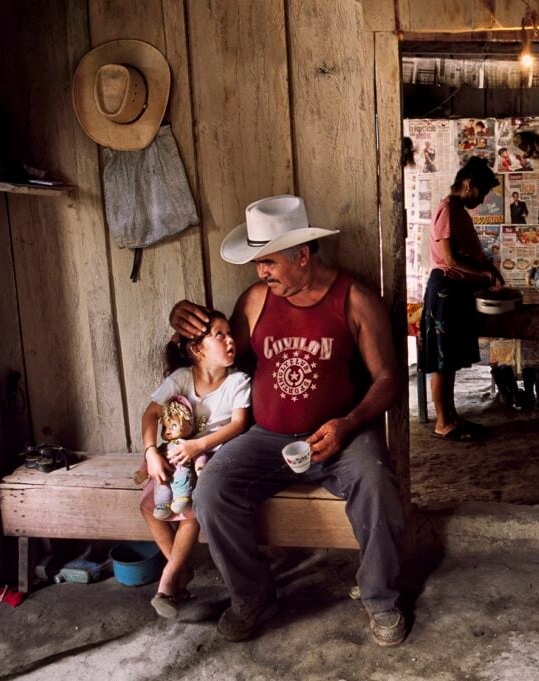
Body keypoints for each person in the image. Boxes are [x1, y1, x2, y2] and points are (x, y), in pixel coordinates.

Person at [169, 194, 406, 645]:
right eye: (257, 263)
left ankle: (380, 599)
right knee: (214, 489)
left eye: (269, 262)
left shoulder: (354, 299)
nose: (261, 272)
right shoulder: (256, 300)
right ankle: (253, 598)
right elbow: (219, 357)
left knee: (377, 485)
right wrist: (184, 323)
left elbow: (389, 380)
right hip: (267, 438)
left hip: (342, 436)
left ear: (302, 255)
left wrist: (347, 424)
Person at [139, 310, 251, 618]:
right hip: (176, 456)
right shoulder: (181, 379)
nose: (230, 340)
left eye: (231, 334)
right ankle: (182, 571)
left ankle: (167, 581)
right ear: (197, 349)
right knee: (149, 506)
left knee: (188, 510)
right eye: (220, 335)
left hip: (211, 457)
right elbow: (150, 415)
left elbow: (239, 424)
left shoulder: (238, 381)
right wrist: (151, 453)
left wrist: (199, 445)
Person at [422, 157, 503, 442]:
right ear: (468, 185)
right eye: (480, 193)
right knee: (442, 360)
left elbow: (466, 255)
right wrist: (484, 274)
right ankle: (443, 423)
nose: (481, 199)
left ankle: (452, 417)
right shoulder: (447, 210)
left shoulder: (457, 210)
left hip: (456, 292)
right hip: (445, 291)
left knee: (451, 359)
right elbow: (451, 259)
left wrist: (488, 268)